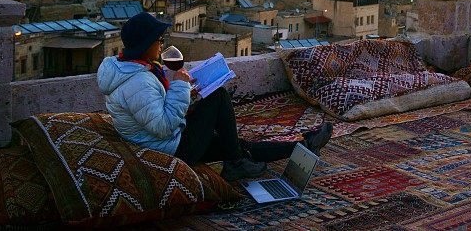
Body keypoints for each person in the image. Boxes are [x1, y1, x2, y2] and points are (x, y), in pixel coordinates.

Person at [97, 12, 332, 181]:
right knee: (218, 96)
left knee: (238, 146)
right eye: (158, 41)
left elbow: (155, 109)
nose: (161, 45)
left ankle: (304, 146)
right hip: (173, 147)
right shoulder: (137, 81)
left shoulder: (131, 70)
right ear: (145, 44)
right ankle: (235, 163)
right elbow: (163, 127)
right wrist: (179, 87)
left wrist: (186, 92)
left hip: (167, 141)